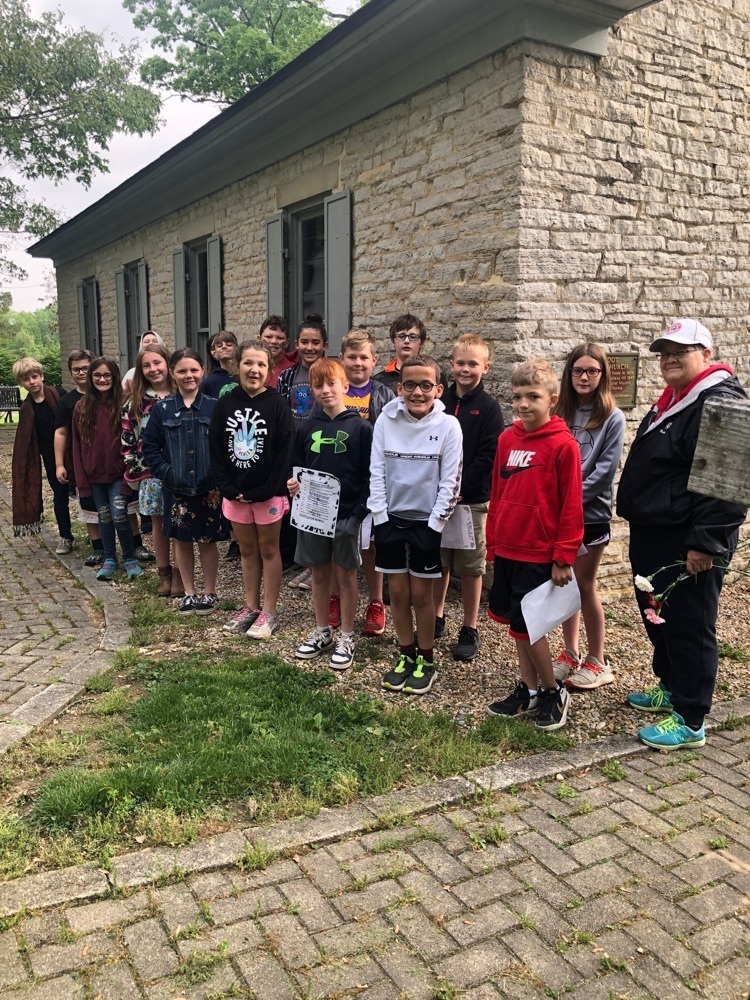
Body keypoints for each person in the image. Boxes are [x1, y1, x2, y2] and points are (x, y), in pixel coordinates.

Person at [617, 318, 748, 750]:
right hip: (658, 532)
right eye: (664, 352)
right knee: (661, 616)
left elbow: (727, 482)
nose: (669, 358)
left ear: (706, 355)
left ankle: (691, 718)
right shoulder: (676, 398)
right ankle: (671, 687)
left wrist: (705, 543)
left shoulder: (721, 400)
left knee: (690, 624)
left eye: (681, 350)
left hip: (688, 540)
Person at [485, 360, 583, 731]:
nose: (523, 404)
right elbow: (499, 492)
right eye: (517, 397)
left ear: (552, 400)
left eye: (533, 397)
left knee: (533, 627)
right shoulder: (506, 440)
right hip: (508, 548)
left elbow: (572, 506)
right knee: (516, 625)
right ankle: (527, 689)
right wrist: (492, 545)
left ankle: (551, 691)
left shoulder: (563, 446)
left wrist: (563, 556)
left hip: (539, 552)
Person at [369, 354, 463, 695]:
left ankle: (426, 657)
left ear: (438, 389)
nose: (418, 392)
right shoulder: (386, 420)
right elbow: (376, 470)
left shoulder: (449, 426)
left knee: (422, 594)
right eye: (410, 384)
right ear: (399, 387)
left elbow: (451, 481)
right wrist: (380, 516)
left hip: (426, 523)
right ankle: (405, 654)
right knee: (396, 592)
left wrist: (435, 524)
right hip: (391, 519)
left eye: (426, 385)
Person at [288, 358, 373, 671]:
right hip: (313, 515)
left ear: (344, 386)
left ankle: (347, 635)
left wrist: (359, 514)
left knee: (346, 575)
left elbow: (371, 476)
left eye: (331, 384)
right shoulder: (309, 427)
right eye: (318, 385)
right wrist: (293, 484)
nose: (325, 390)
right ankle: (322, 629)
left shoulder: (362, 428)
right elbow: (296, 467)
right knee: (319, 574)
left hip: (347, 515)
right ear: (312, 390)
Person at [552, 344, 625, 690]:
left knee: (584, 585)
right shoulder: (559, 414)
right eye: (578, 370)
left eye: (592, 371)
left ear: (602, 375)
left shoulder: (613, 416)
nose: (584, 377)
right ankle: (570, 653)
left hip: (589, 516)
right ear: (569, 374)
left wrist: (566, 503)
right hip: (558, 514)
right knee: (564, 588)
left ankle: (598, 660)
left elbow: (602, 473)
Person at [313, 328, 395, 637]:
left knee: (371, 546)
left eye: (364, 357)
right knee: (336, 546)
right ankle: (334, 599)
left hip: (369, 481)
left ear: (374, 360)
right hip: (333, 486)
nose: (357, 362)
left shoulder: (385, 395)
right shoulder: (330, 390)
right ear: (342, 359)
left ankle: (375, 602)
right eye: (351, 357)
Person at [209, 340, 294, 639]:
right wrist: (227, 487)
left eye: (260, 364)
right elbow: (216, 448)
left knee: (269, 550)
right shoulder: (225, 403)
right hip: (235, 494)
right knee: (247, 551)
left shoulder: (277, 404)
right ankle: (250, 606)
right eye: (248, 363)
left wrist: (266, 489)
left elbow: (284, 452)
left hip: (267, 494)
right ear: (237, 366)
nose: (254, 370)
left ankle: (269, 612)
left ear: (269, 370)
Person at [142, 348, 230, 614]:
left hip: (208, 488)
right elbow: (150, 447)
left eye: (193, 370)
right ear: (173, 373)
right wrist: (167, 472)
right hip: (176, 488)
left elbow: (226, 445)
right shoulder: (163, 409)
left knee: (207, 540)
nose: (188, 375)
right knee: (181, 539)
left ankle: (210, 592)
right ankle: (189, 592)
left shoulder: (216, 407)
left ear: (202, 371)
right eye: (182, 370)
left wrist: (218, 475)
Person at [433, 334, 504, 661]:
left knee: (470, 566)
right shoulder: (439, 402)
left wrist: (461, 486)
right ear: (451, 365)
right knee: (440, 562)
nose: (465, 369)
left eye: (472, 364)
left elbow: (489, 455)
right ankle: (436, 616)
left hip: (470, 500)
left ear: (485, 367)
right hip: (437, 498)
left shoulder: (489, 408)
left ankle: (470, 625)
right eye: (460, 363)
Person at [71, 358, 142, 581]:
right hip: (93, 475)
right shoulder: (81, 407)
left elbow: (134, 440)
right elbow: (76, 444)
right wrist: (81, 481)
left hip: (119, 474)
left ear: (114, 377)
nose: (102, 379)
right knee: (103, 516)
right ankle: (110, 558)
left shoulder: (124, 404)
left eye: (107, 375)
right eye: (97, 375)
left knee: (120, 514)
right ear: (91, 378)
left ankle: (129, 558)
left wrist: (130, 474)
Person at [121, 344, 182, 598]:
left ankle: (181, 573)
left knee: (179, 523)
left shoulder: (182, 395)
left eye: (157, 363)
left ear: (167, 364)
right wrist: (137, 466)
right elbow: (127, 438)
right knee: (158, 524)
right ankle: (164, 572)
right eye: (146, 365)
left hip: (180, 472)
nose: (153, 369)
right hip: (151, 473)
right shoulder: (136, 401)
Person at [277, 314, 329, 588]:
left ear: (325, 345)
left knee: (317, 504)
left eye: (315, 343)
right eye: (305, 342)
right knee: (295, 501)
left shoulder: (331, 374)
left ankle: (315, 565)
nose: (310, 348)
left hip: (320, 448)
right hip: (294, 448)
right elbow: (282, 411)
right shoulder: (287, 375)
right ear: (296, 344)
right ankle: (297, 557)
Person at [11, 357, 74, 552]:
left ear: (42, 376)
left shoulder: (59, 395)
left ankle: (98, 537)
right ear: (21, 383)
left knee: (87, 495)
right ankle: (66, 536)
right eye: (26, 379)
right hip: (51, 458)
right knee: (60, 497)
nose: (32, 382)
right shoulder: (27, 409)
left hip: (73, 452)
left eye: (34, 376)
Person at [53, 350, 103, 564]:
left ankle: (129, 545)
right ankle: (98, 546)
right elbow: (61, 432)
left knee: (118, 504)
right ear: (71, 372)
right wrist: (59, 464)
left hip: (108, 459)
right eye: (76, 369)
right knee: (88, 503)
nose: (81, 372)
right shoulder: (67, 401)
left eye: (85, 368)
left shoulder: (106, 394)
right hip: (81, 460)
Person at [373, 314, 426, 392]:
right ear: (393, 341)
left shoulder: (433, 376)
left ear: (421, 342)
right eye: (401, 336)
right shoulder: (378, 382)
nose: (407, 341)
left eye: (413, 337)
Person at [260, 316, 298, 387]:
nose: (274, 341)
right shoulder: (249, 367)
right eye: (269, 337)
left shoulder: (293, 371)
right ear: (259, 339)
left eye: (280, 338)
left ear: (287, 343)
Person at [202, 331, 238, 397]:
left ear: (236, 348)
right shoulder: (208, 382)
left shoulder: (244, 376)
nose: (224, 347)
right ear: (214, 353)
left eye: (229, 344)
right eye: (219, 346)